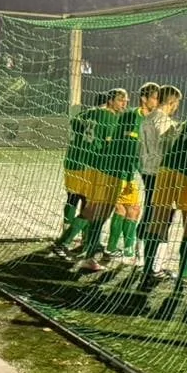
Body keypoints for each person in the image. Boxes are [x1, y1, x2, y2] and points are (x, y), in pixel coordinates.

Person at [55, 88, 128, 270]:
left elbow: (75, 129)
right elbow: (109, 145)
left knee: (81, 202)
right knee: (93, 206)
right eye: (121, 100)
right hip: (91, 166)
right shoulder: (110, 118)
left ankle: (85, 241)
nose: (124, 104)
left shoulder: (85, 113)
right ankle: (68, 242)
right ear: (110, 101)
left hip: (74, 162)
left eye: (125, 101)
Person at [140, 97, 187, 289]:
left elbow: (169, 139)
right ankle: (182, 276)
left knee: (158, 220)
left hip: (166, 170)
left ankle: (147, 270)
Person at [106, 83, 158, 264]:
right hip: (120, 169)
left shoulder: (152, 119)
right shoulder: (131, 116)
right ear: (144, 99)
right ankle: (116, 249)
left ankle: (122, 249)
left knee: (130, 209)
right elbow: (124, 148)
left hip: (133, 171)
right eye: (154, 97)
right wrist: (128, 177)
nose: (157, 101)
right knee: (125, 208)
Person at [136, 84, 180, 267]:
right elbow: (170, 150)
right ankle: (155, 264)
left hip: (147, 170)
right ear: (172, 101)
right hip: (160, 172)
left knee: (149, 212)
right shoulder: (163, 121)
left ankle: (139, 256)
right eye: (177, 103)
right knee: (163, 216)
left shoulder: (147, 118)